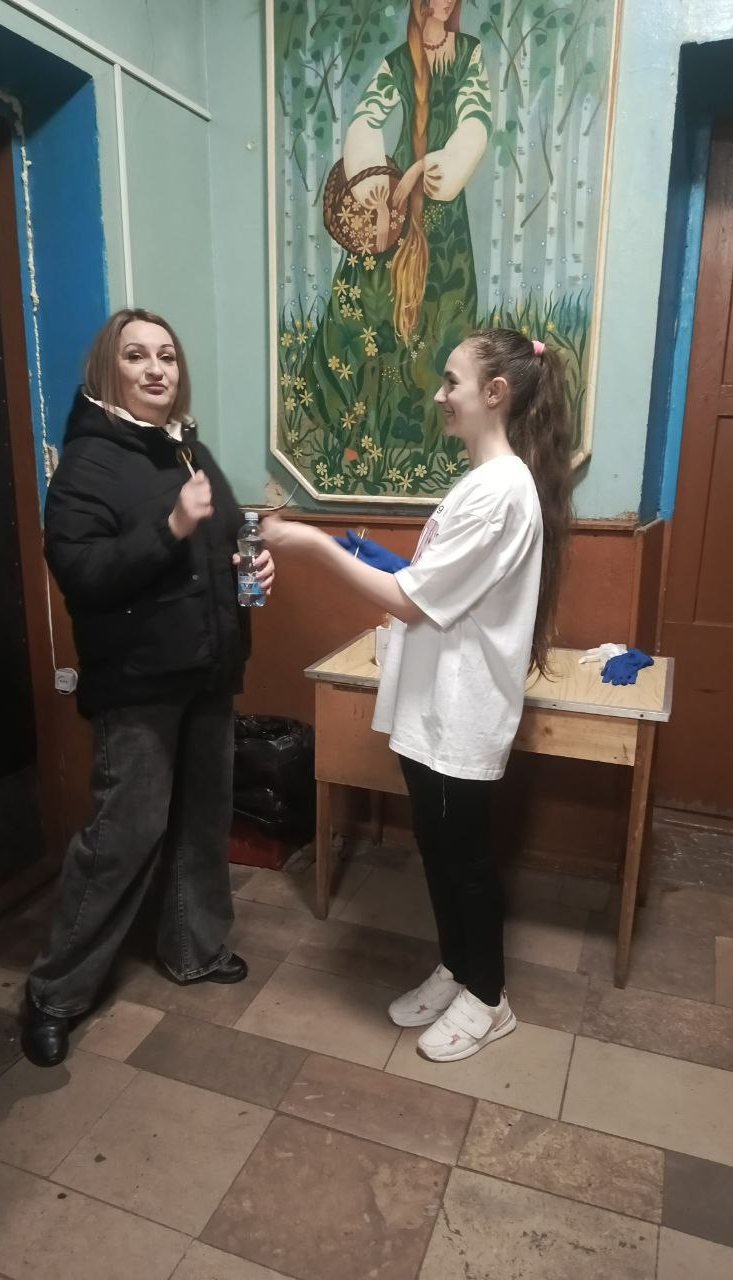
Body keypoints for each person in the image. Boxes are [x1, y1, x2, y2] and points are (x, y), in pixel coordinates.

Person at [264, 328, 572, 1062]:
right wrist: (377, 560)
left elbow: (411, 600)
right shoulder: (480, 482)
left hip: (462, 710)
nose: (440, 395)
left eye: (451, 381)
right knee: (436, 847)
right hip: (433, 704)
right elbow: (433, 586)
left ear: (494, 393)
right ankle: (458, 968)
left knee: (465, 858)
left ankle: (489, 998)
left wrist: (315, 546)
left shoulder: (501, 490)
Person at [21, 308, 274, 1068]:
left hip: (207, 667)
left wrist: (249, 564)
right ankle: (54, 992)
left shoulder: (186, 447)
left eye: (166, 355)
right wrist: (169, 527)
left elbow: (221, 538)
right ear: (109, 369)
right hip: (138, 682)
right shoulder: (88, 463)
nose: (156, 369)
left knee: (202, 820)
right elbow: (82, 573)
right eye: (136, 356)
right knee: (122, 834)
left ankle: (193, 948)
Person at [298, 0, 492, 488]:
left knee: (444, 311)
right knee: (372, 306)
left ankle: (436, 436)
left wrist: (445, 164)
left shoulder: (469, 54)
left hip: (441, 205)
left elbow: (476, 118)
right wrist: (371, 178)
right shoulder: (398, 60)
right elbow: (368, 116)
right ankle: (357, 426)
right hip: (396, 204)